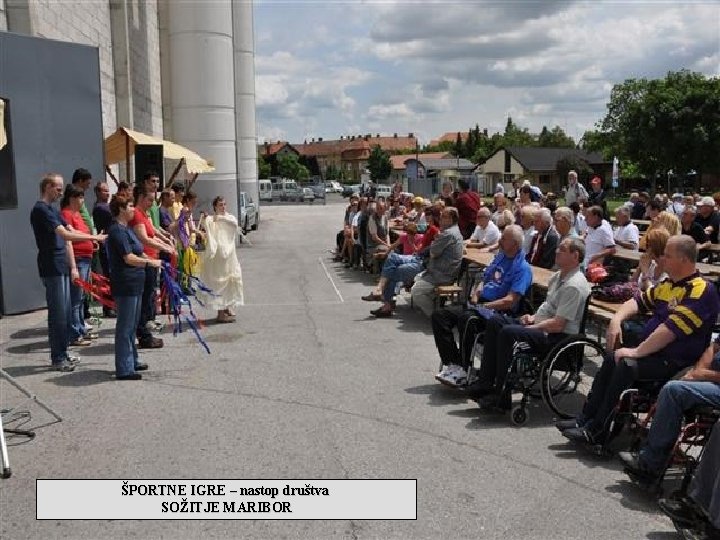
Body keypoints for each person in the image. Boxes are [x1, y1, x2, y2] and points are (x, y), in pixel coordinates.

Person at [560, 236, 720, 445]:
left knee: (625, 363)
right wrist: (616, 320)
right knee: (612, 358)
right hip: (654, 353)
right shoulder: (670, 285)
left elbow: (669, 331)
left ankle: (599, 431)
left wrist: (636, 352)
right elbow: (636, 302)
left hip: (674, 361)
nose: (662, 259)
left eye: (667, 255)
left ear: (683, 259)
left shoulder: (701, 290)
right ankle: (585, 419)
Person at [466, 238, 591, 408]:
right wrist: (532, 317)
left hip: (557, 336)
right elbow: (549, 308)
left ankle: (501, 395)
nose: (556, 251)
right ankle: (486, 382)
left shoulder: (574, 285)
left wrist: (533, 326)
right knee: (495, 321)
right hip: (543, 325)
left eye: (562, 249)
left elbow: (558, 324)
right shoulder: (557, 277)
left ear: (575, 256)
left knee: (508, 332)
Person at [432, 225, 532, 386]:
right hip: (480, 304)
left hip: (498, 313)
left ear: (514, 243)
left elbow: (510, 301)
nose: (500, 240)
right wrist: (477, 292)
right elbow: (485, 278)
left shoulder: (522, 268)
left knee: (468, 319)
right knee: (440, 316)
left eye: (504, 238)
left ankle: (465, 369)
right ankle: (454, 363)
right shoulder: (501, 257)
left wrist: (486, 306)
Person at [30, 174, 106, 372]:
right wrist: (94, 236)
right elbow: (64, 234)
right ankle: (58, 357)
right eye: (58, 188)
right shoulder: (40, 210)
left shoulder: (53, 210)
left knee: (65, 311)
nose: (61, 192)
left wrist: (73, 267)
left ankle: (63, 353)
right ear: (47, 187)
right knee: (58, 314)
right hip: (51, 266)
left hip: (62, 265)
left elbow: (68, 239)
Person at [618, 342, 720, 483]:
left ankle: (652, 462)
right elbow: (714, 347)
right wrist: (699, 371)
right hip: (709, 379)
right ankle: (654, 444)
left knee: (674, 390)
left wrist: (703, 374)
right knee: (676, 380)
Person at [106, 195, 162, 380]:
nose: (133, 209)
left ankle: (132, 360)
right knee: (125, 326)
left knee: (132, 325)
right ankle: (124, 368)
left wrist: (149, 259)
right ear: (121, 209)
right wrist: (149, 264)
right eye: (130, 206)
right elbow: (128, 258)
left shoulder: (127, 229)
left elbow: (139, 251)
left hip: (136, 283)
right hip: (126, 283)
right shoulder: (117, 231)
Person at [366, 208, 441, 317]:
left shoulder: (435, 230)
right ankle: (380, 291)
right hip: (416, 257)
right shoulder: (428, 228)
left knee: (391, 272)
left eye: (429, 214)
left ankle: (385, 303)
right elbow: (416, 231)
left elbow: (432, 246)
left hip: (422, 261)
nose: (426, 216)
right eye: (427, 214)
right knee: (392, 258)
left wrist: (415, 244)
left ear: (435, 216)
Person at [129, 185, 176, 349]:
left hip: (152, 259)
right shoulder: (136, 213)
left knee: (149, 297)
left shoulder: (144, 214)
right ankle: (143, 335)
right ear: (140, 198)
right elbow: (143, 238)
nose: (152, 203)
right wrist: (164, 247)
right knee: (144, 300)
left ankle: (145, 331)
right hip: (145, 260)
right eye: (149, 199)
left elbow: (153, 231)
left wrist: (166, 239)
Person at [406, 207, 464, 317]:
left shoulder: (448, 234)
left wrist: (435, 242)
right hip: (443, 272)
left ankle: (435, 316)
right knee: (417, 278)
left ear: (451, 219)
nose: (440, 219)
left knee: (416, 291)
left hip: (441, 275)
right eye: (441, 216)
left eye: (443, 217)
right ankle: (437, 306)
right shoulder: (455, 231)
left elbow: (433, 253)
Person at [60, 185, 97, 346]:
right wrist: (92, 237)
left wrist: (91, 240)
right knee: (75, 298)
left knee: (81, 298)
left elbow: (82, 233)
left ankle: (81, 328)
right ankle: (74, 333)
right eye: (80, 197)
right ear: (72, 198)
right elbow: (71, 236)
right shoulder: (66, 214)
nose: (82, 200)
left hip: (86, 258)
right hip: (78, 258)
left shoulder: (77, 214)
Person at [197, 196, 244, 323]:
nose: (223, 207)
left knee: (230, 280)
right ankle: (221, 313)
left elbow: (234, 225)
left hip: (229, 256)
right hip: (218, 257)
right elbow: (205, 226)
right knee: (219, 283)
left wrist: (221, 218)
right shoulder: (211, 220)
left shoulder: (229, 218)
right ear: (215, 207)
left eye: (224, 204)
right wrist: (207, 219)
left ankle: (227, 307)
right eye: (220, 205)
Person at [92, 181, 115, 317]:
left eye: (108, 190)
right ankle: (108, 307)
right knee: (108, 277)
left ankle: (111, 305)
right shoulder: (101, 207)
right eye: (104, 191)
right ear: (98, 192)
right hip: (106, 245)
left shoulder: (106, 206)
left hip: (110, 245)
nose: (108, 193)